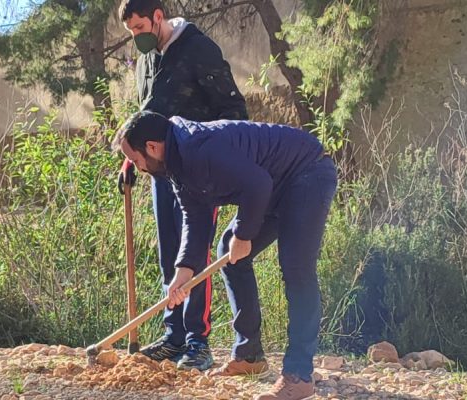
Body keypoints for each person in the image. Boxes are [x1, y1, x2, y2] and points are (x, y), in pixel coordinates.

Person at [114, 112, 338, 400]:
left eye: (135, 160)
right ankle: (249, 355)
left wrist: (244, 235)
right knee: (228, 254)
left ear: (152, 147)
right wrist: (183, 271)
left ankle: (299, 375)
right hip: (273, 185)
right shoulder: (176, 164)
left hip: (307, 173)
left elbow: (257, 184)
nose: (138, 168)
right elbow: (195, 218)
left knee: (297, 269)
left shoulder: (197, 149)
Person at [116, 0, 248, 371]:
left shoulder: (199, 49)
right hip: (162, 172)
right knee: (170, 254)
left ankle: (197, 342)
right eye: (131, 32)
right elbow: (146, 116)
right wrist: (131, 157)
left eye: (140, 28)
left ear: (158, 16)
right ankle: (173, 337)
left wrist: (217, 159)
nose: (137, 37)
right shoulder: (147, 60)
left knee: (195, 252)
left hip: (198, 171)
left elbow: (234, 110)